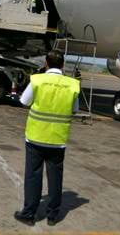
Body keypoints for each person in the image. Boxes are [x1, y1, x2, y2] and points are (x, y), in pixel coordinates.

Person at [14, 50, 80, 226]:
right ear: (63, 65)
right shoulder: (72, 85)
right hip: (57, 140)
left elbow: (24, 101)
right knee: (55, 177)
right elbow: (74, 109)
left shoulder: (37, 80)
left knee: (33, 176)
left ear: (46, 63)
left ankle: (29, 214)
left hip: (35, 138)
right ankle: (52, 215)